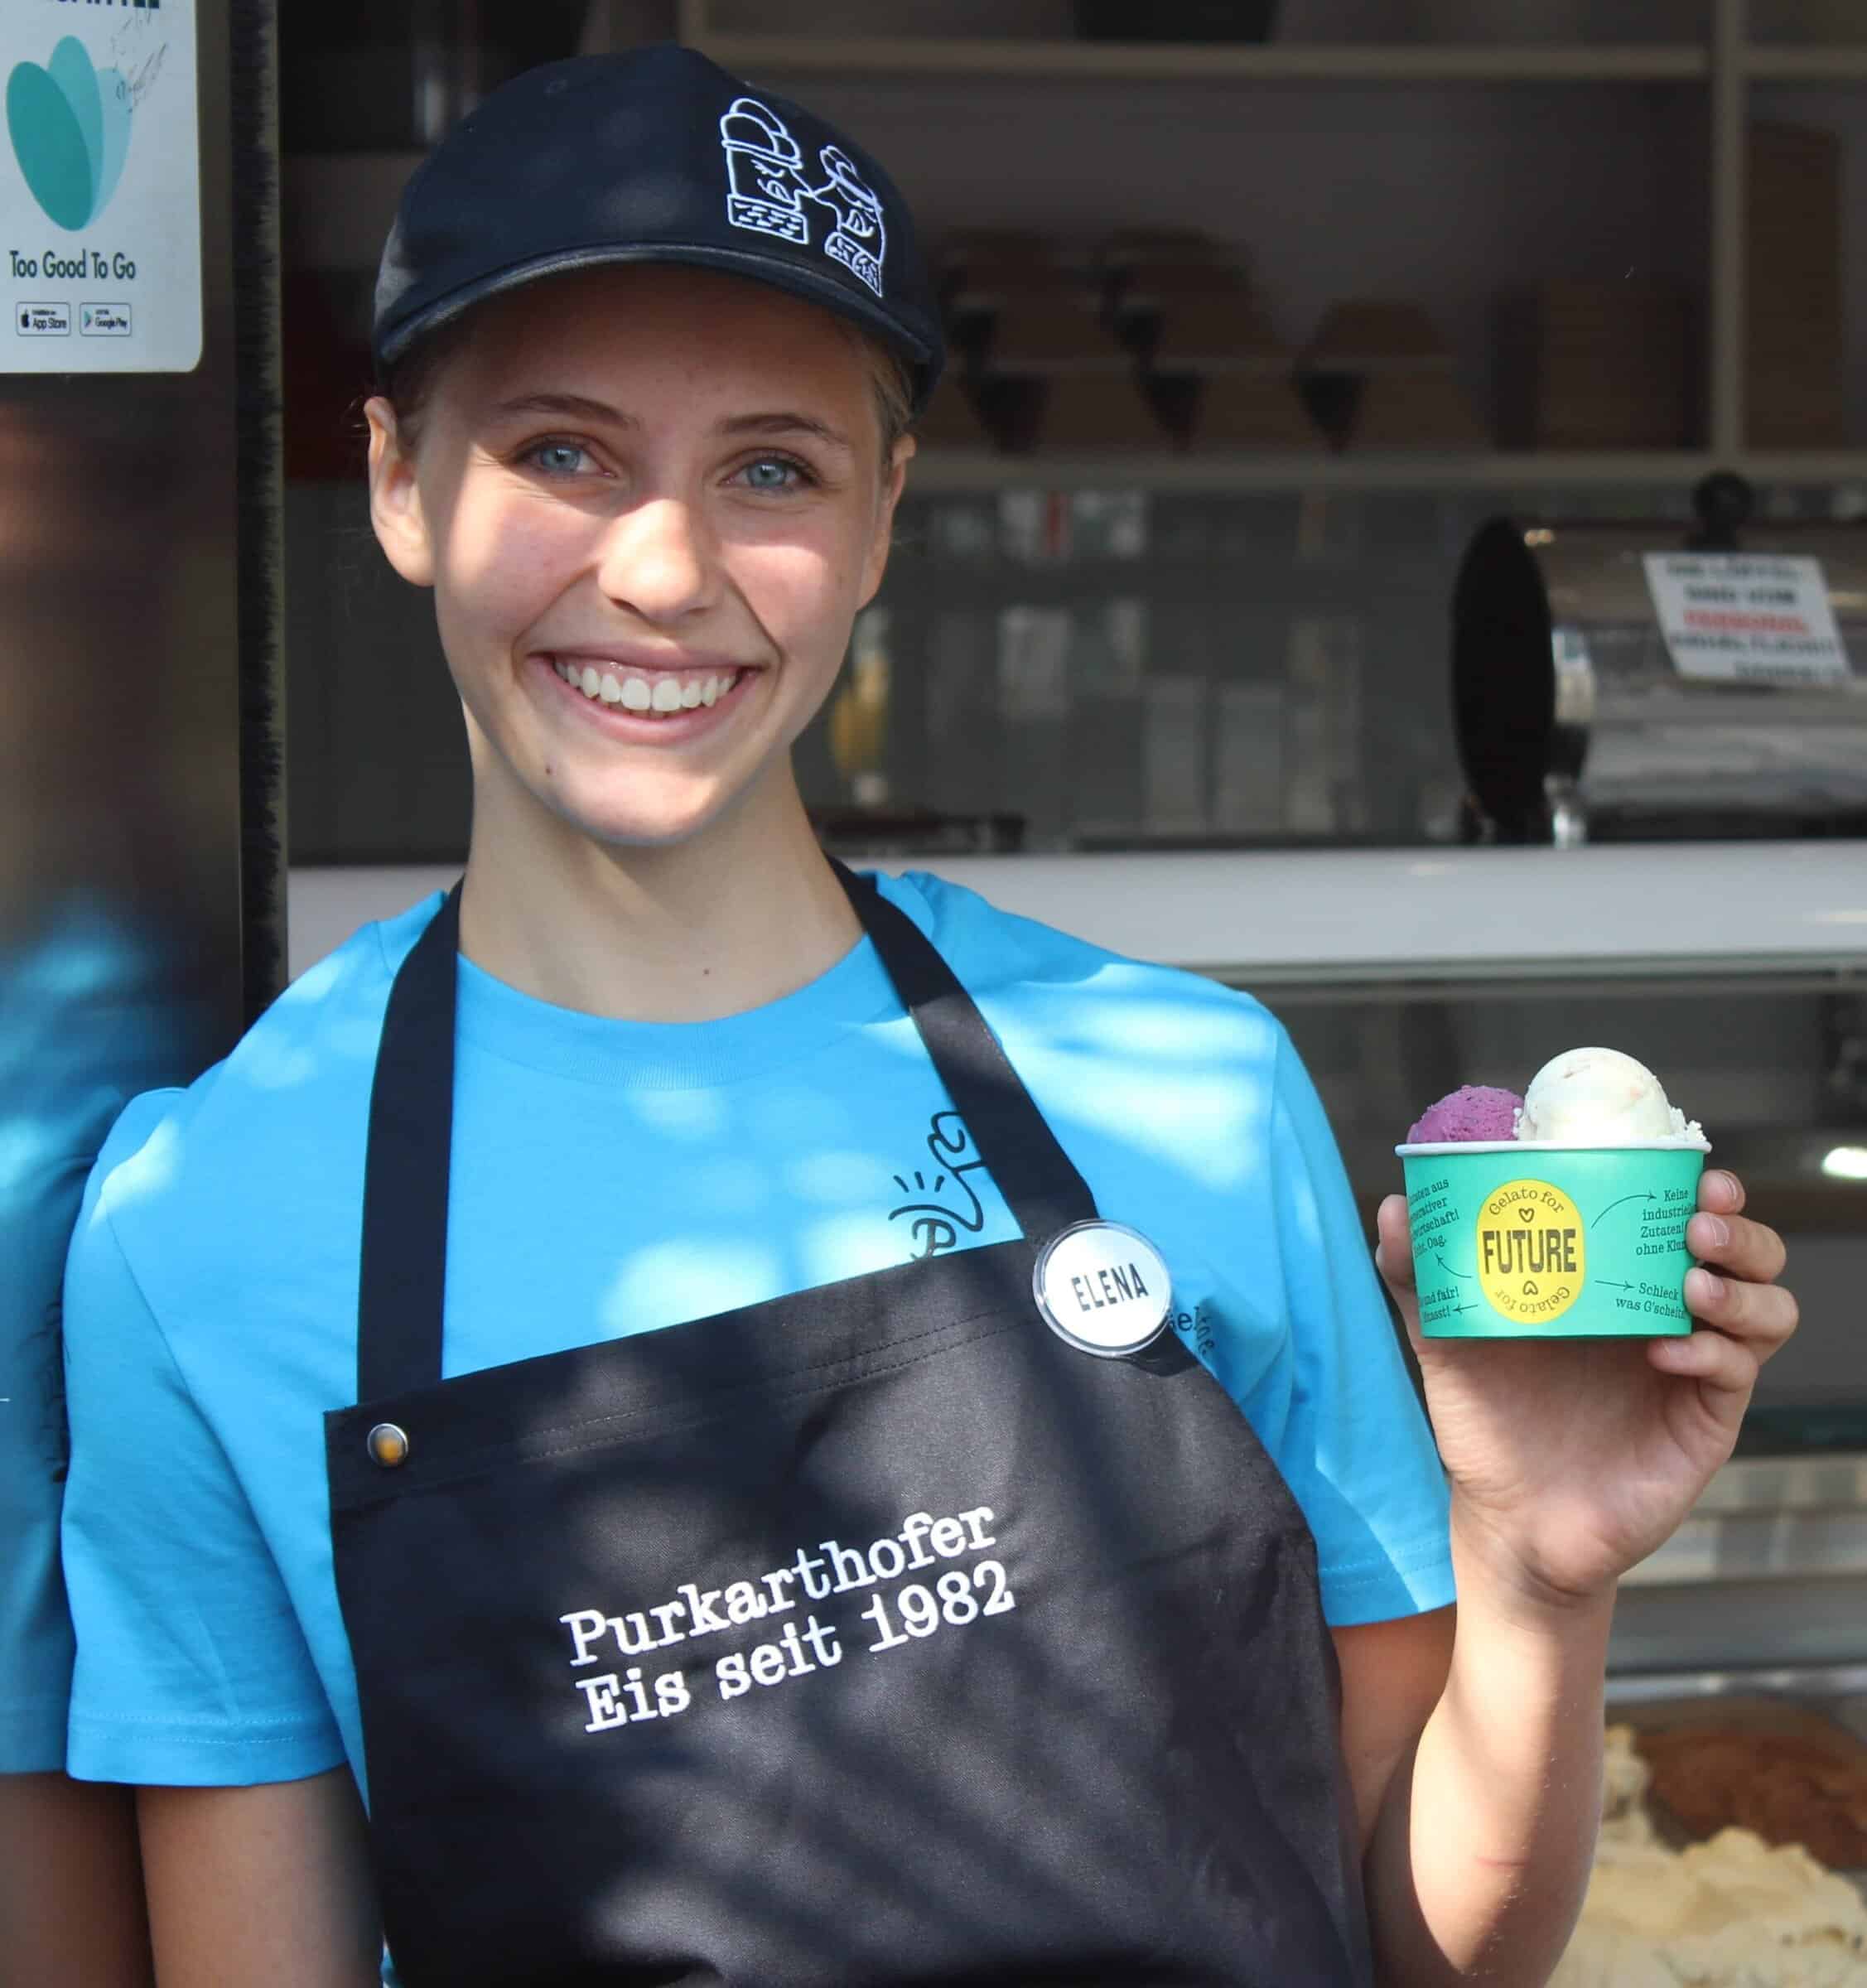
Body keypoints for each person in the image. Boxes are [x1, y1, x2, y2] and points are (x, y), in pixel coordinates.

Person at [58, 43, 1799, 1987]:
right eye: (561, 453)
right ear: (399, 480)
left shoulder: (1188, 1093)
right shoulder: (204, 1228)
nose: (663, 571)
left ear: (882, 515)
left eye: (771, 470)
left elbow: (1416, 1945)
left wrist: (1536, 1583)